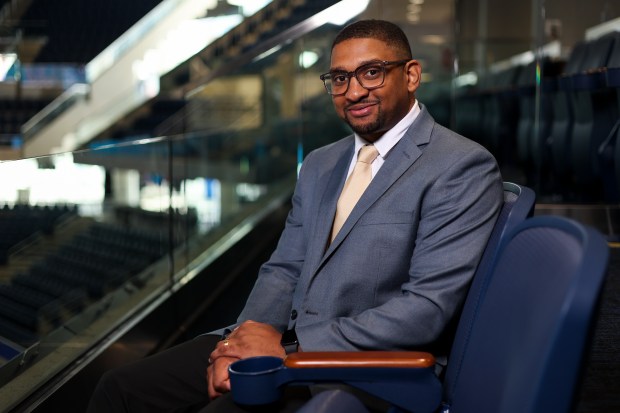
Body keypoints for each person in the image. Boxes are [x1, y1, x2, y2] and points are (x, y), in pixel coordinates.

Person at [87, 19, 503, 413]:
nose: (354, 91)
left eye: (371, 73)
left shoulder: (459, 166)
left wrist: (292, 346)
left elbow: (425, 310)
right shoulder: (322, 163)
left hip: (366, 367)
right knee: (118, 389)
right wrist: (239, 345)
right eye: (340, 78)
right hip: (281, 344)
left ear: (411, 75)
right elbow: (284, 270)